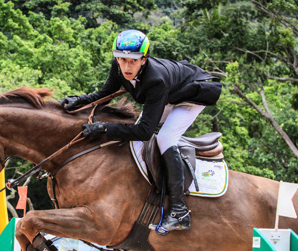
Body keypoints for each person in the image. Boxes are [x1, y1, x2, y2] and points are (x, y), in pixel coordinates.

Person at [60, 29, 222, 234]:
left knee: (165, 139)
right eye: (122, 59)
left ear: (143, 59)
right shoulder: (118, 66)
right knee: (133, 143)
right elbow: (105, 94)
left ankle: (180, 212)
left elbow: (144, 131)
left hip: (192, 95)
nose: (127, 66)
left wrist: (104, 127)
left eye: (133, 61)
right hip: (169, 94)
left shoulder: (156, 80)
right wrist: (78, 100)